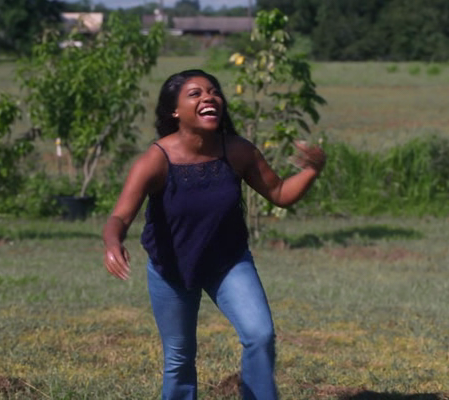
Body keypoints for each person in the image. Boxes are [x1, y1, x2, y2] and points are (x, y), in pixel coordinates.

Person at [102, 69, 326, 400]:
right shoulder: (155, 160)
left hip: (228, 262)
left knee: (260, 335)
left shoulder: (238, 151)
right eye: (195, 93)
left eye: (214, 91)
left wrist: (312, 170)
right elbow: (120, 216)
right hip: (171, 269)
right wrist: (113, 242)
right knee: (179, 359)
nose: (209, 97)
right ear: (174, 111)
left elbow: (279, 193)